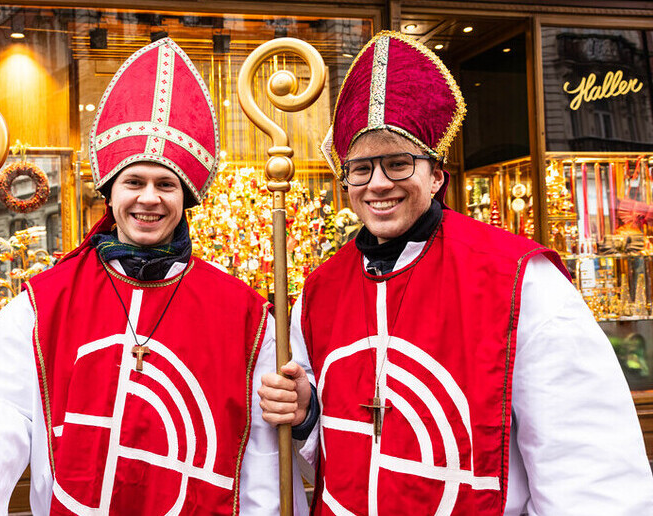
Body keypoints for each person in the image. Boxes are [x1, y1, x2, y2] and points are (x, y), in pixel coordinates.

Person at [259, 30, 653, 515]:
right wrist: (305, 413)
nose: (378, 183)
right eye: (360, 168)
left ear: (437, 175)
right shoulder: (321, 291)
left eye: (398, 163)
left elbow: (589, 469)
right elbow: (328, 452)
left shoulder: (518, 281)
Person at [0, 38, 307, 515]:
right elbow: (2, 403)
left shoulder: (245, 316)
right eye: (134, 182)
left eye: (166, 184)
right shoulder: (47, 301)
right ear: (109, 192)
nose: (149, 198)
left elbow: (262, 455)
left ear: (186, 198)